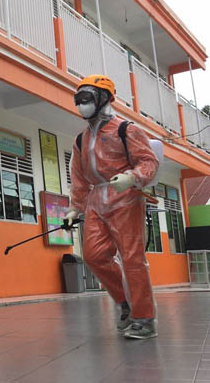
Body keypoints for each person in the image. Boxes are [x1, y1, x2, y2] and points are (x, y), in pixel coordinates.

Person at [66, 75, 160, 340]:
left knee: (132, 259)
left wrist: (132, 177)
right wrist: (76, 207)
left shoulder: (126, 130)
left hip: (125, 198)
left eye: (87, 99)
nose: (82, 105)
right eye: (79, 100)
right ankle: (125, 303)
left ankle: (145, 318)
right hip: (96, 200)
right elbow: (79, 176)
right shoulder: (80, 140)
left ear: (104, 99)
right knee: (94, 256)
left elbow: (148, 161)